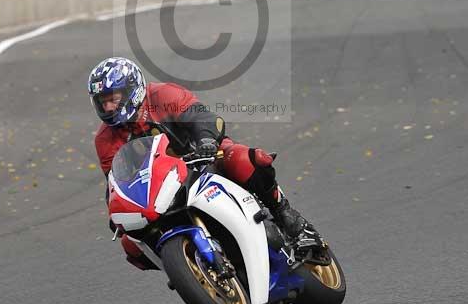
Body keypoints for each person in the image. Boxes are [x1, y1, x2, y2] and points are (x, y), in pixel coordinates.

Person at [88, 57, 323, 270]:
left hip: (203, 159)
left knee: (245, 159)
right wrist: (116, 210)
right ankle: (186, 266)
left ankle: (289, 220)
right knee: (130, 242)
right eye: (102, 102)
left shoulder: (163, 95)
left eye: (113, 99)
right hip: (163, 189)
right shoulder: (105, 139)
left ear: (132, 89)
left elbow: (203, 118)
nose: (108, 107)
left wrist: (207, 141)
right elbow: (116, 179)